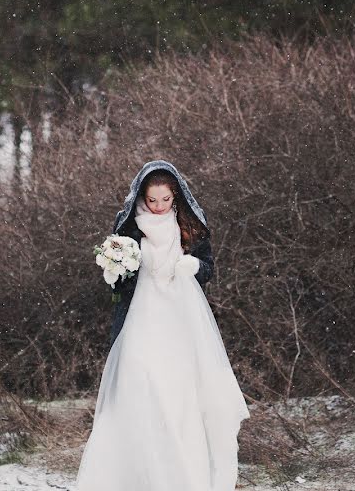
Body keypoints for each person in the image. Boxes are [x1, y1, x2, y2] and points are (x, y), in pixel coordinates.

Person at [75, 160, 251, 491]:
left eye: (165, 200)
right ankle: (137, 471)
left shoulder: (191, 225)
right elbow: (118, 282)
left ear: (175, 197)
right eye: (152, 200)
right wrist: (117, 271)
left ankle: (179, 472)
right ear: (142, 196)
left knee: (179, 392)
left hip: (180, 320)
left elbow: (209, 268)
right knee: (140, 381)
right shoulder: (128, 228)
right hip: (141, 318)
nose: (158, 207)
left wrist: (192, 266)